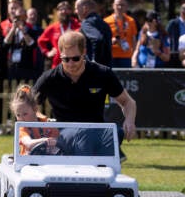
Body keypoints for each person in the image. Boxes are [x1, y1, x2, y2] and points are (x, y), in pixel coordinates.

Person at [32, 31, 137, 161]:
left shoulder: (102, 73)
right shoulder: (49, 78)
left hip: (97, 130)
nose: (70, 63)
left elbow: (128, 102)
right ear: (60, 55)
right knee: (102, 136)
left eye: (75, 58)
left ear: (84, 53)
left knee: (116, 132)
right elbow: (29, 106)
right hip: (65, 133)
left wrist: (130, 121)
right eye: (65, 59)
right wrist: (42, 122)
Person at [10, 84, 59, 155]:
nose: (21, 119)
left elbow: (59, 141)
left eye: (25, 114)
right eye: (18, 115)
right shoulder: (22, 129)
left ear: (35, 109)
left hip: (48, 161)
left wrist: (54, 142)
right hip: (28, 163)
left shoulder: (47, 123)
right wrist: (45, 140)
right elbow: (28, 143)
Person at [38, 1, 81, 69]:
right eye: (61, 9)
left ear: (71, 11)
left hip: (75, 65)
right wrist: (47, 53)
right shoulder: (52, 28)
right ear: (57, 12)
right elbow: (40, 41)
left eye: (66, 9)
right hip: (57, 65)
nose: (64, 11)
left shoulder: (78, 26)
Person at [75, 0, 112, 67]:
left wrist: (94, 61)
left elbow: (98, 39)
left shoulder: (86, 23)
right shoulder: (104, 24)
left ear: (84, 8)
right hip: (107, 68)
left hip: (94, 71)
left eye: (77, 8)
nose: (75, 11)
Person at [4, 7, 37, 81]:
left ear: (25, 17)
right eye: (16, 17)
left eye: (20, 17)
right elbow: (5, 44)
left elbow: (32, 45)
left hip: (26, 67)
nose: (18, 19)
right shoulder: (11, 31)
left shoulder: (31, 30)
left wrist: (23, 30)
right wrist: (13, 29)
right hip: (13, 67)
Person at [103, 0, 138, 68]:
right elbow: (102, 40)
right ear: (113, 6)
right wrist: (112, 41)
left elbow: (134, 39)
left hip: (126, 56)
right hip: (111, 56)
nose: (119, 7)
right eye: (117, 5)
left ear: (126, 6)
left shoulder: (131, 21)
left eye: (122, 5)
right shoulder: (106, 21)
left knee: (127, 78)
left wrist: (134, 56)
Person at [166, 2, 185, 68]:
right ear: (180, 10)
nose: (184, 11)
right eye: (183, 9)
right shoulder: (173, 23)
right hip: (175, 53)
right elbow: (166, 35)